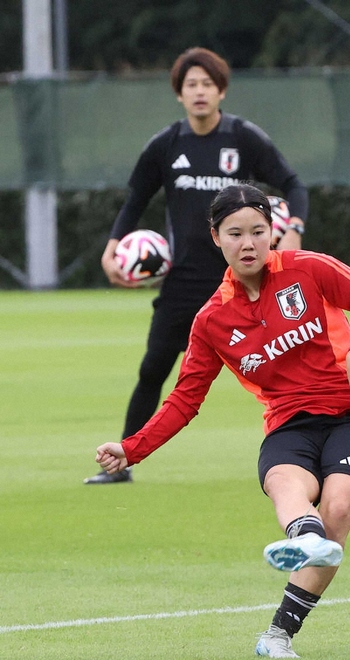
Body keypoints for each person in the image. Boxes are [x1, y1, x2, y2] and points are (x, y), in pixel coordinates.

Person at [95, 184, 350, 658]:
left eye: (259, 232)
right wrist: (131, 448)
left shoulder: (308, 269)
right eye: (235, 234)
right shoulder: (212, 319)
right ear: (216, 237)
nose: (249, 243)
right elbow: (184, 400)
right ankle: (306, 540)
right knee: (285, 483)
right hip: (290, 425)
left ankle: (280, 630)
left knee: (339, 505)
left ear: (272, 232)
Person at [85, 47, 308, 484]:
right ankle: (123, 461)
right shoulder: (166, 145)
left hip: (245, 284)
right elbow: (135, 201)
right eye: (191, 85)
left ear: (221, 90)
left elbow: (292, 183)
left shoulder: (243, 138)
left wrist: (295, 225)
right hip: (185, 283)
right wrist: (112, 247)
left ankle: (308, 453)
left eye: (208, 83)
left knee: (286, 369)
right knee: (153, 369)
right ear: (179, 94)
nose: (200, 92)